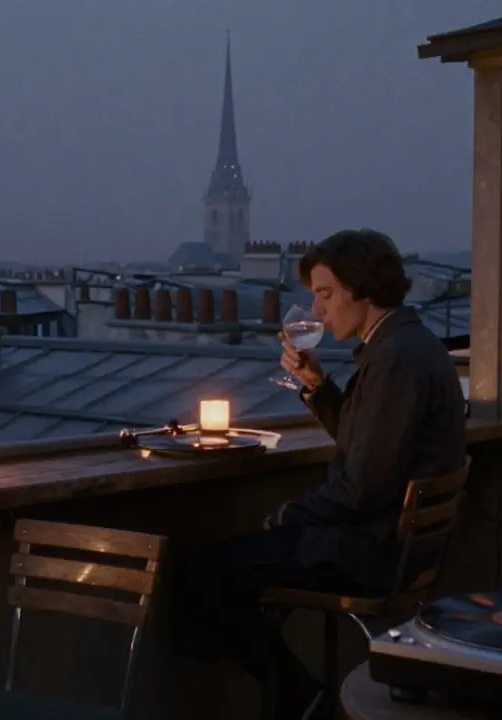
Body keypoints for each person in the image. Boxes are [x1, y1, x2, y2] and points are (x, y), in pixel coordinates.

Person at [178, 229, 467, 719]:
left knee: (201, 577)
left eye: (327, 294)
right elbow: (367, 447)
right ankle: (300, 696)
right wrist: (315, 386)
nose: (318, 308)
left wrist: (288, 515)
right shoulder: (407, 344)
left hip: (368, 552)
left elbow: (363, 486)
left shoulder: (395, 359)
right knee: (224, 568)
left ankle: (301, 698)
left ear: (364, 288)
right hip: (392, 546)